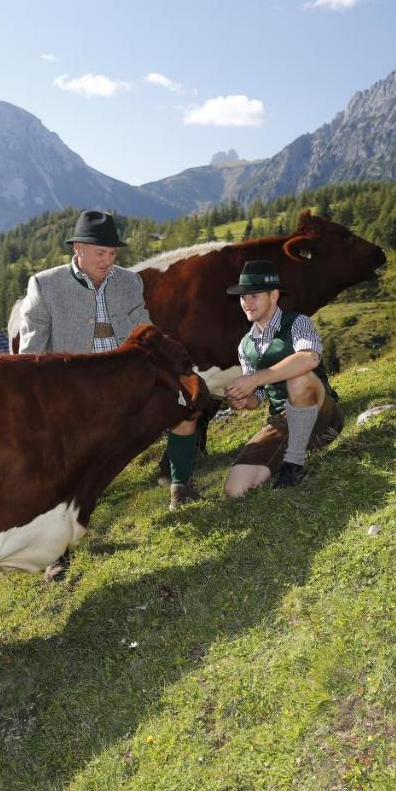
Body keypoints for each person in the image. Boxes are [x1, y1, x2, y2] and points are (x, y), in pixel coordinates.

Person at [17, 210, 201, 575]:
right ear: (79, 249)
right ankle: (55, 551)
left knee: (186, 405)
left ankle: (180, 485)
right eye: (101, 253)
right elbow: (29, 357)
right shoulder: (45, 285)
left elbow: (145, 332)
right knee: (59, 462)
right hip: (74, 396)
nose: (109, 261)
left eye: (113, 253)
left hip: (127, 385)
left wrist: (179, 370)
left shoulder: (128, 282)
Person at [222, 259, 343, 498]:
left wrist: (256, 378)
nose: (247, 303)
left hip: (323, 418)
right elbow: (257, 398)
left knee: (299, 378)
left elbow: (310, 359)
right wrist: (243, 400)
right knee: (235, 490)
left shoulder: (298, 322)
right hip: (282, 422)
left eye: (254, 295)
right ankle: (290, 453)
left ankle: (293, 465)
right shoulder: (245, 345)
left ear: (274, 295)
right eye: (243, 297)